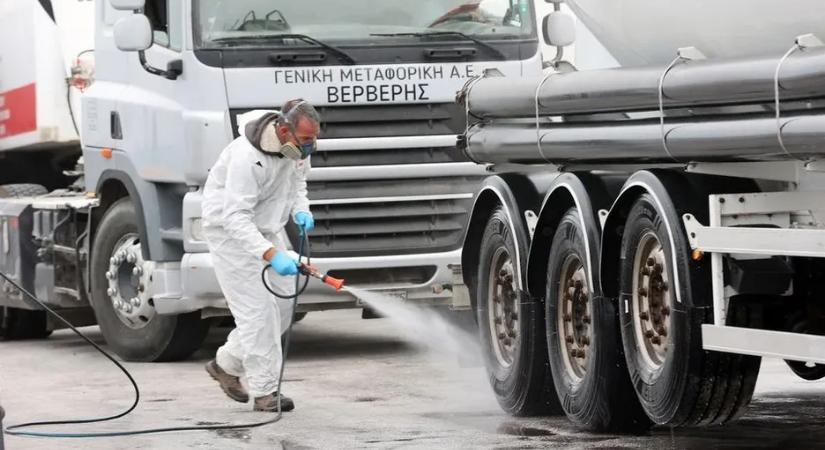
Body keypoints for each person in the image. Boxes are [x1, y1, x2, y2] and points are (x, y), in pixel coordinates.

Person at [201, 99, 321, 412]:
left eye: (313, 139)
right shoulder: (247, 157)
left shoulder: (295, 152)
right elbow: (235, 218)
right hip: (231, 236)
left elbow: (298, 186)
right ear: (283, 130)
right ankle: (266, 392)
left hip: (266, 231)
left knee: (283, 302)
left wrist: (301, 211)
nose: (310, 147)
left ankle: (225, 364)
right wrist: (271, 255)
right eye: (305, 140)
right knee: (256, 313)